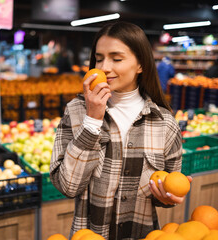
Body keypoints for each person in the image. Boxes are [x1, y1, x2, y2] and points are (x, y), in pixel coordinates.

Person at [50, 21, 191, 240]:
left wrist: (167, 197)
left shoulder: (164, 122)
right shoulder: (76, 111)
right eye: (99, 58)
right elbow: (68, 186)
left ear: (141, 65)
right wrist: (92, 120)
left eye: (116, 59)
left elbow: (168, 188)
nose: (104, 67)